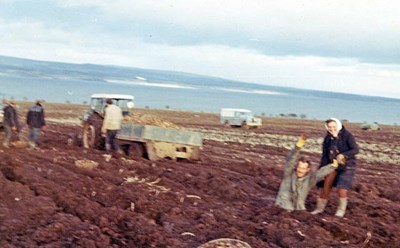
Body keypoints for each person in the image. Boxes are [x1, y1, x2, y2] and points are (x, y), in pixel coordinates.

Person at [275, 134, 342, 211]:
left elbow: (320, 173)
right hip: (282, 207)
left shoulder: (310, 180)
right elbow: (291, 160)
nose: (300, 170)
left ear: (307, 170)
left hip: (298, 209)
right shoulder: (288, 174)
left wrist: (333, 166)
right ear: (296, 167)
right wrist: (298, 145)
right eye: (299, 167)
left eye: (303, 168)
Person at [311, 118, 359, 217]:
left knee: (342, 187)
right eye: (329, 127)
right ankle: (319, 209)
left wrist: (344, 155)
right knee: (326, 186)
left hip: (348, 165)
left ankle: (341, 210)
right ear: (327, 127)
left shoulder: (347, 135)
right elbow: (325, 155)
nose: (332, 129)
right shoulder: (328, 138)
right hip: (333, 164)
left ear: (338, 125)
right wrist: (322, 169)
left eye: (334, 126)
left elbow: (355, 149)